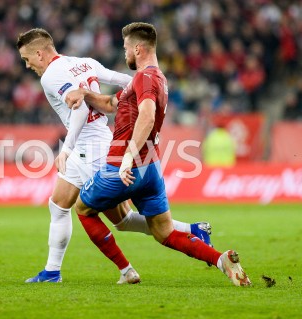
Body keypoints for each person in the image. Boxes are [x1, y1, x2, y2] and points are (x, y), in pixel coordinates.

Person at [16, 28, 213, 284]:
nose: (28, 65)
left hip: (89, 149)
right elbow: (124, 80)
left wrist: (65, 150)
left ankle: (171, 242)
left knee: (120, 219)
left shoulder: (51, 76)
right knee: (58, 204)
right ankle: (52, 271)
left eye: (27, 59)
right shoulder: (81, 62)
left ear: (39, 53)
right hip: (95, 144)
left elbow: (79, 109)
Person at [66, 22, 251, 286]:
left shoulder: (145, 78)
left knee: (83, 208)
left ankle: (126, 271)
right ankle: (222, 260)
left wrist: (128, 157)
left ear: (138, 49)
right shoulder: (155, 79)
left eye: (126, 48)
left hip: (124, 164)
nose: (125, 53)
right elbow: (110, 103)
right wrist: (85, 93)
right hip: (150, 168)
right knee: (163, 232)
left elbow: (147, 114)